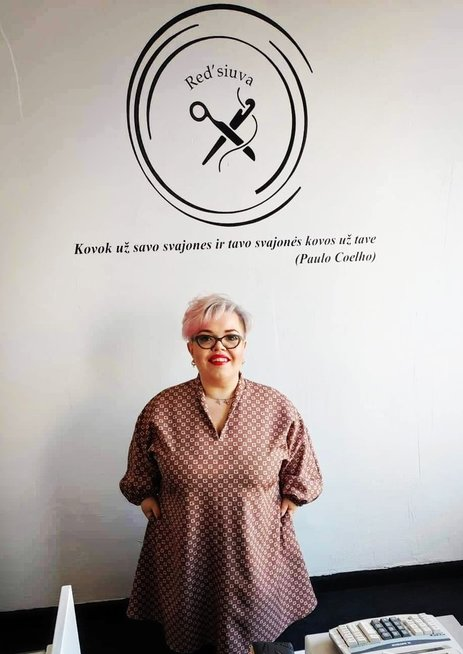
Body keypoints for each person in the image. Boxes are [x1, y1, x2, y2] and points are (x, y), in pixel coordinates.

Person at [120, 294, 322, 654]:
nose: (219, 347)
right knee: (191, 630)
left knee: (254, 635)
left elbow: (302, 467)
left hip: (256, 547)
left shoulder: (276, 407)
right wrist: (145, 495)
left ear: (244, 346)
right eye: (205, 338)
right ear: (191, 348)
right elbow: (139, 471)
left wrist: (293, 497)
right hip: (184, 546)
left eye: (231, 337)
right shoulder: (161, 409)